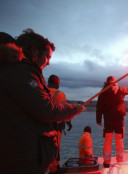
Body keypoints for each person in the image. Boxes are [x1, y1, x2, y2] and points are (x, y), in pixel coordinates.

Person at [0, 29, 85, 174]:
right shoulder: (22, 73)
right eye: (47, 56)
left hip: (19, 153)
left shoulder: (14, 71)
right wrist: (74, 109)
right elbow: (46, 110)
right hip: (23, 158)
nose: (49, 62)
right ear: (34, 51)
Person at [96, 76, 128, 167]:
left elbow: (99, 108)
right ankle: (120, 161)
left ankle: (106, 162)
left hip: (108, 120)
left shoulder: (102, 93)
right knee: (119, 140)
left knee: (107, 140)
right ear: (115, 82)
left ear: (107, 82)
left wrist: (98, 120)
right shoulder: (120, 90)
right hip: (119, 120)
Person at [47, 74, 73, 173]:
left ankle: (49, 166)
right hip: (56, 126)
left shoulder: (42, 92)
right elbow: (65, 112)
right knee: (55, 146)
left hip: (43, 125)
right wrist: (69, 123)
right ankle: (54, 169)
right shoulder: (59, 94)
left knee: (46, 146)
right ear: (57, 83)